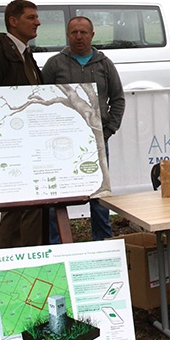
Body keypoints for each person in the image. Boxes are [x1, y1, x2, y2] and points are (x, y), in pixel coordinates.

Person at [42, 16, 125, 241]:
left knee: (98, 195)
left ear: (92, 35)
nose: (79, 37)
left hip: (96, 140)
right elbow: (43, 96)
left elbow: (118, 98)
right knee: (56, 196)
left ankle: (102, 242)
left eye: (83, 32)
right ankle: (57, 244)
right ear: (67, 35)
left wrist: (109, 130)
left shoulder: (104, 64)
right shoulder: (54, 64)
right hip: (61, 141)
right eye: (74, 32)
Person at [0, 0, 44, 248]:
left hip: (29, 143)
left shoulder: (26, 56)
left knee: (31, 204)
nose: (38, 22)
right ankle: (15, 255)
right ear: (13, 21)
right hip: (9, 146)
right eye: (31, 17)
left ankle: (28, 252)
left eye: (36, 17)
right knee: (16, 206)